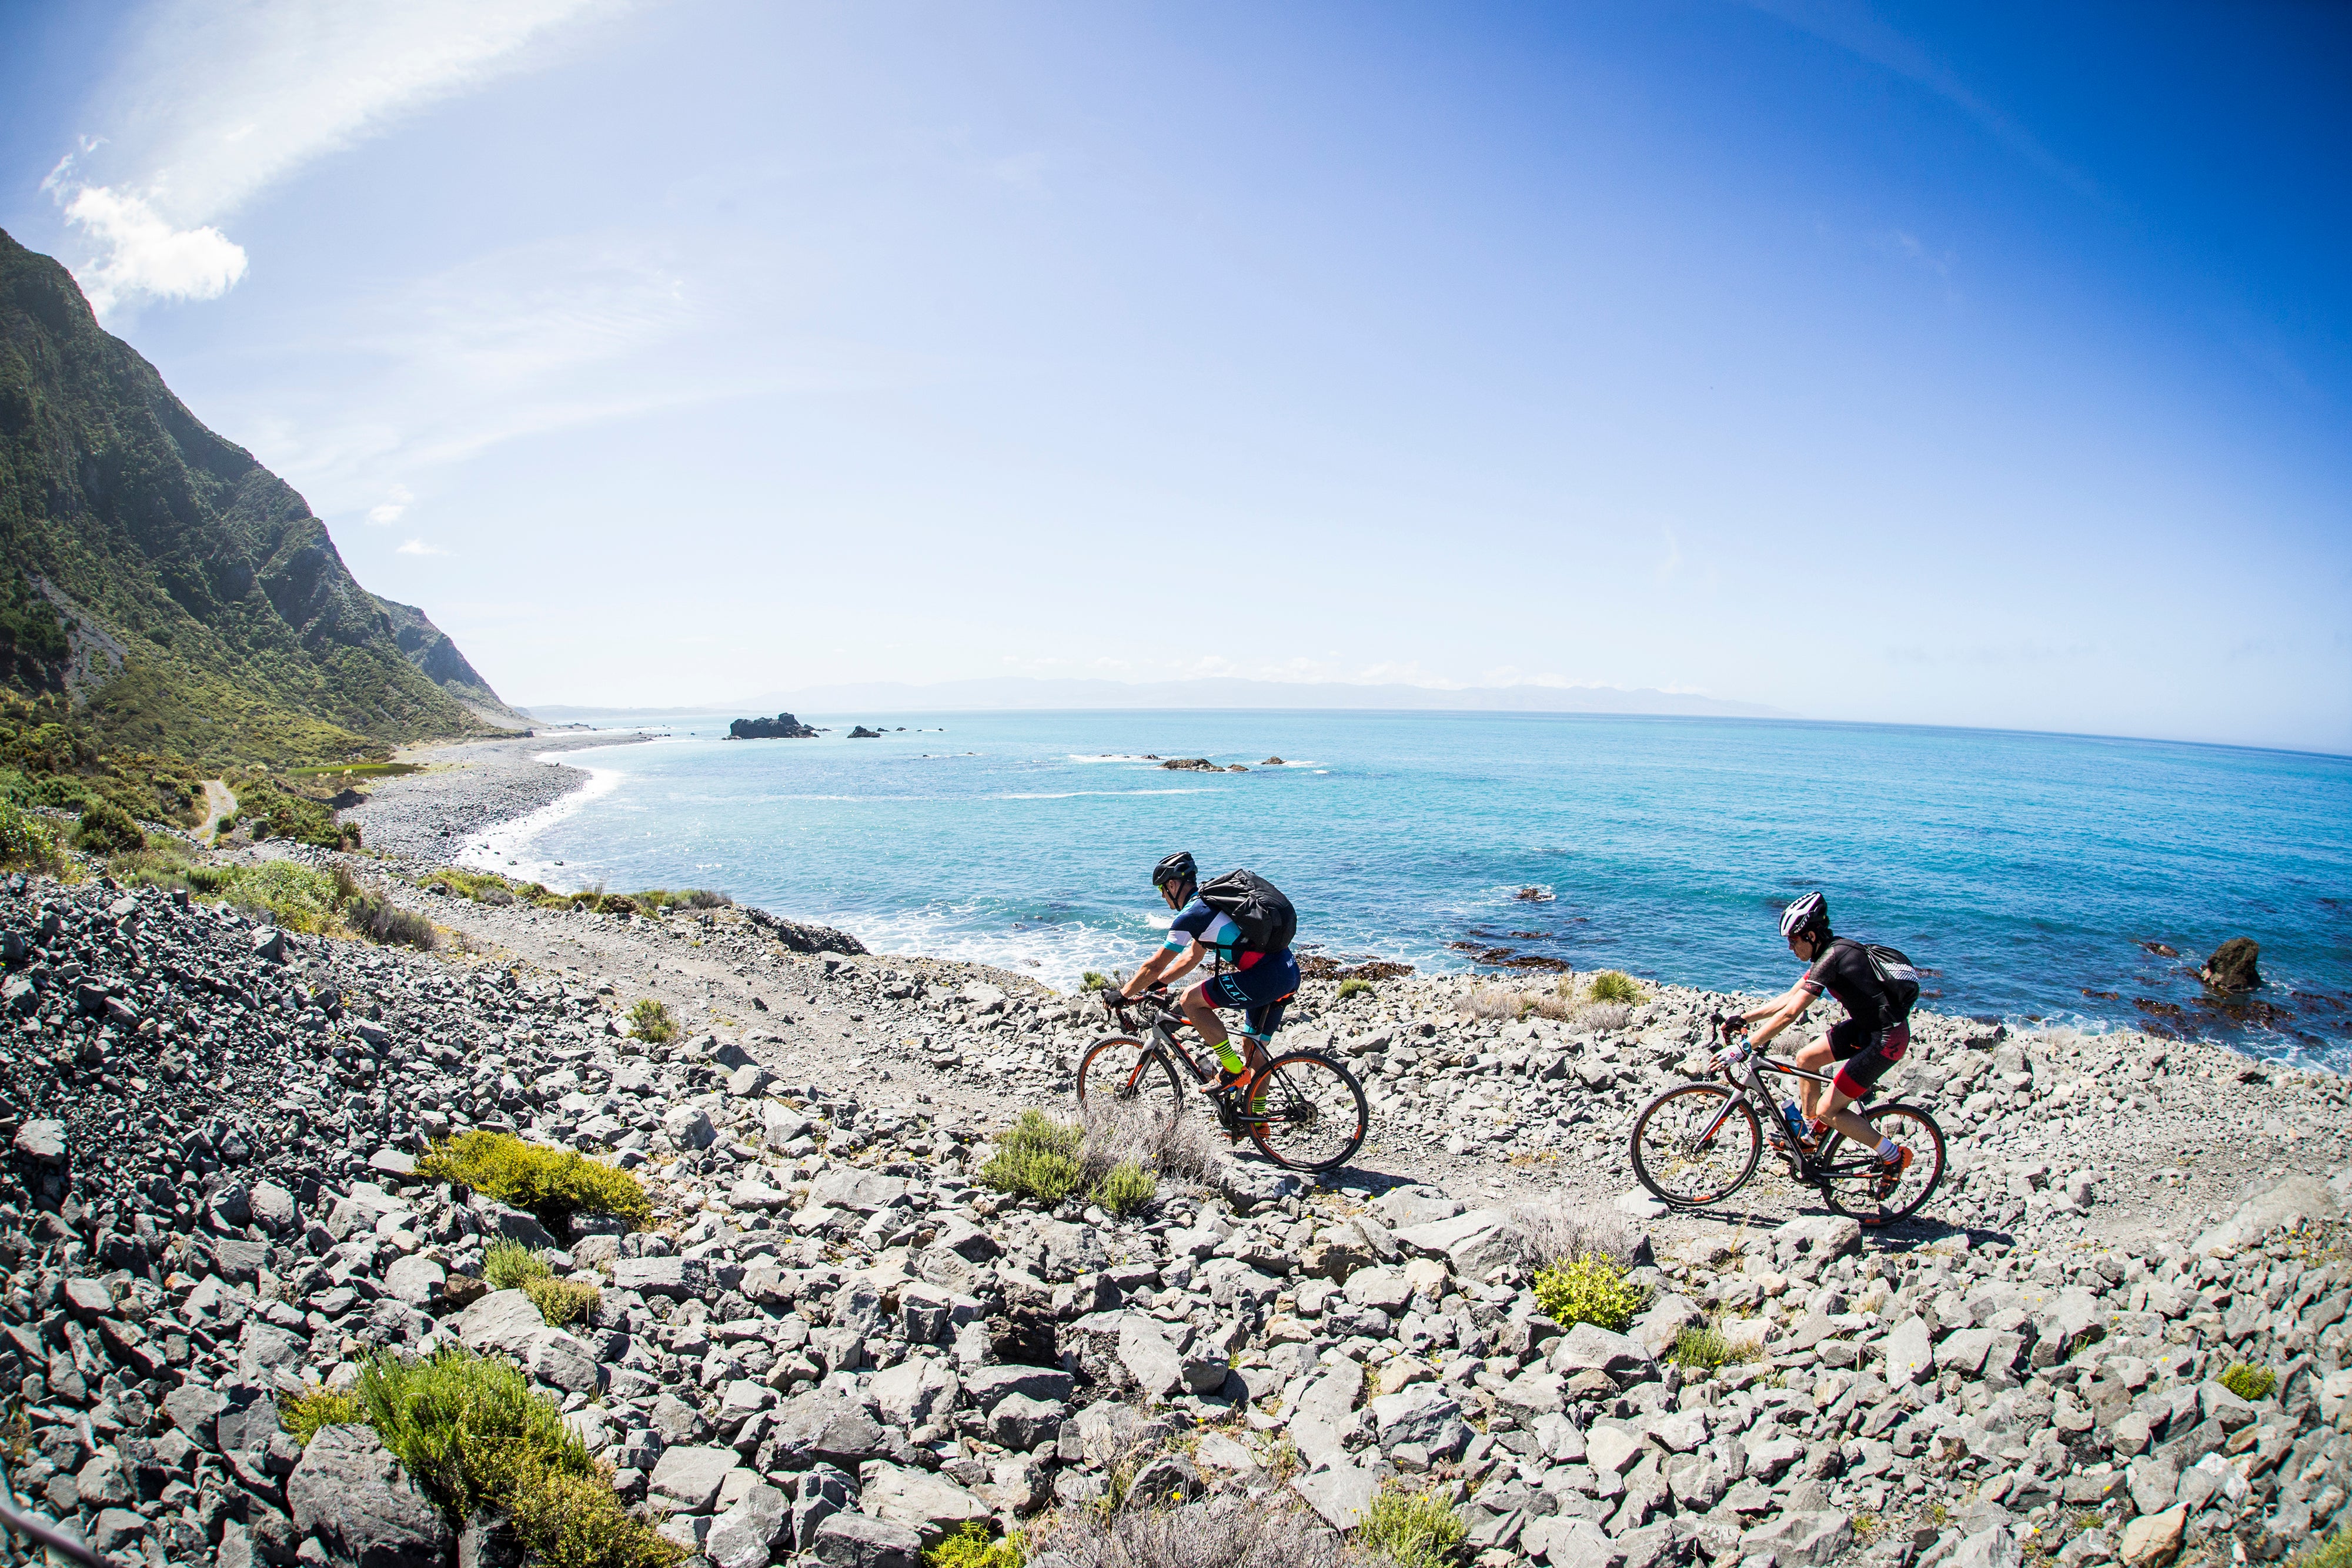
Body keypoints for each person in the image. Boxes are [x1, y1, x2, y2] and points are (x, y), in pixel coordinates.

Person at [1727, 891, 1913, 1188]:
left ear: (1811, 936)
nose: (1790, 947)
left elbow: (1791, 1014)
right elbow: (1788, 998)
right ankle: (1811, 1137)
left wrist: (1744, 1048)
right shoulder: (1827, 955)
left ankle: (1893, 1155)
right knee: (1806, 1058)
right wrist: (1744, 1019)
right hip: (1867, 1027)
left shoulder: (1834, 957)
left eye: (1793, 940)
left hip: (1887, 1039)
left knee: (1830, 1110)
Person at [1102, 851, 1301, 1094]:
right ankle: (1258, 1123)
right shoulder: (1211, 904)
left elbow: (1154, 965)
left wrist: (1122, 994)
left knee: (1190, 1000)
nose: (1163, 897)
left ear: (1173, 885)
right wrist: (1159, 984)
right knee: (1254, 1046)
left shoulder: (1191, 916)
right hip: (1288, 971)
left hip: (1266, 978)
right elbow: (1192, 957)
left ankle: (1232, 1070)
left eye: (1162, 890)